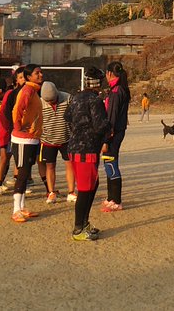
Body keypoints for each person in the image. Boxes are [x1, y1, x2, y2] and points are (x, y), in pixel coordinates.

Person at [64, 83, 109, 241]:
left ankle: (84, 223)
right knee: (85, 190)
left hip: (74, 147)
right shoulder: (95, 100)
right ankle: (78, 229)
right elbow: (100, 125)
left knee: (92, 185)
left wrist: (77, 128)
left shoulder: (75, 98)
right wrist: (107, 133)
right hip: (87, 149)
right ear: (98, 84)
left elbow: (67, 117)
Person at [10, 64, 44, 223]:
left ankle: (22, 206)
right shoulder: (28, 90)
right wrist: (18, 127)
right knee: (22, 173)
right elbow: (17, 109)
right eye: (37, 73)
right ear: (29, 77)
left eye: (41, 72)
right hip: (23, 138)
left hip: (32, 138)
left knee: (26, 171)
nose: (40, 75)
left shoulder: (34, 90)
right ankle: (16, 209)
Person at [101, 61, 130, 212]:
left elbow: (111, 117)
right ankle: (110, 197)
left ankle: (116, 200)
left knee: (111, 163)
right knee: (108, 162)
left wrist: (106, 139)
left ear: (109, 73)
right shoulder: (119, 88)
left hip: (114, 132)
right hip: (118, 130)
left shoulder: (116, 91)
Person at [39, 81, 74, 204]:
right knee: (50, 166)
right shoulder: (39, 103)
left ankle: (71, 192)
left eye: (52, 100)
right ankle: (51, 192)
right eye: (48, 101)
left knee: (70, 164)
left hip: (67, 139)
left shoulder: (68, 98)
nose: (50, 103)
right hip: (47, 140)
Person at [0, 67, 26, 196]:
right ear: (16, 80)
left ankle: (19, 183)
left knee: (19, 159)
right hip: (9, 131)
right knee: (4, 158)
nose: (24, 79)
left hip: (20, 132)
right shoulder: (11, 93)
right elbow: (5, 114)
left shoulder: (30, 92)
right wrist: (12, 128)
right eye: (21, 77)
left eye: (25, 76)